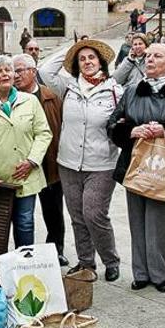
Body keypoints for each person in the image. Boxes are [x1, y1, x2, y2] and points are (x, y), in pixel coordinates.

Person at [107, 44, 165, 292]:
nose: (149, 59)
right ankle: (140, 273)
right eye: (148, 56)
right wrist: (131, 131)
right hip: (135, 164)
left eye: (157, 56)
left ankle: (159, 274)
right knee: (136, 219)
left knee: (158, 221)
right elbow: (113, 124)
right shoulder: (132, 90)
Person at [39, 39, 123, 281]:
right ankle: (86, 262)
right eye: (82, 59)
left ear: (102, 62)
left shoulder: (115, 91)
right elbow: (44, 71)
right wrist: (73, 48)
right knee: (77, 216)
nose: (87, 62)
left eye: (92, 57)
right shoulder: (67, 86)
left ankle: (111, 260)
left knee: (94, 213)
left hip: (102, 163)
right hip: (68, 162)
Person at [0, 55, 52, 248]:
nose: (5, 74)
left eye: (8, 70)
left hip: (26, 177)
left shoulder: (30, 101)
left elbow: (44, 133)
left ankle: (24, 269)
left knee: (25, 224)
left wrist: (32, 161)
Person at [13, 53, 67, 265]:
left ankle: (56, 249)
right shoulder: (10, 97)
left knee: (53, 211)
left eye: (20, 70)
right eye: (13, 71)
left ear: (33, 72)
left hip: (49, 163)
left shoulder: (51, 97)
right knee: (23, 215)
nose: (15, 75)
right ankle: (24, 254)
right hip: (21, 165)